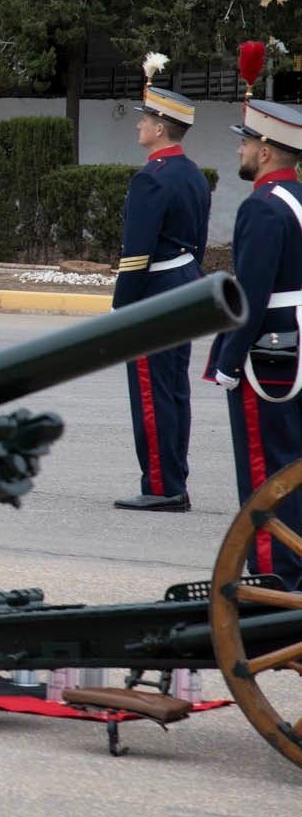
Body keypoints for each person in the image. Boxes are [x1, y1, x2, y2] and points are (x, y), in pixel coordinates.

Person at [206, 95, 302, 586]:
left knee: (267, 468)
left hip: (273, 353)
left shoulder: (262, 207)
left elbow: (251, 294)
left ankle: (273, 574)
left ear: (266, 151)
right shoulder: (298, 199)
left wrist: (228, 360)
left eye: (246, 142)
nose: (240, 150)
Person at [110, 74, 211, 512]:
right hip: (185, 283)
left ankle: (162, 485)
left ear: (160, 127)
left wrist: (123, 307)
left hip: (155, 289)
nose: (138, 126)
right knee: (173, 388)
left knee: (152, 390)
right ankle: (175, 476)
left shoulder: (150, 179)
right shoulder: (192, 175)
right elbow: (198, 243)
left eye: (144, 119)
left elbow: (136, 254)